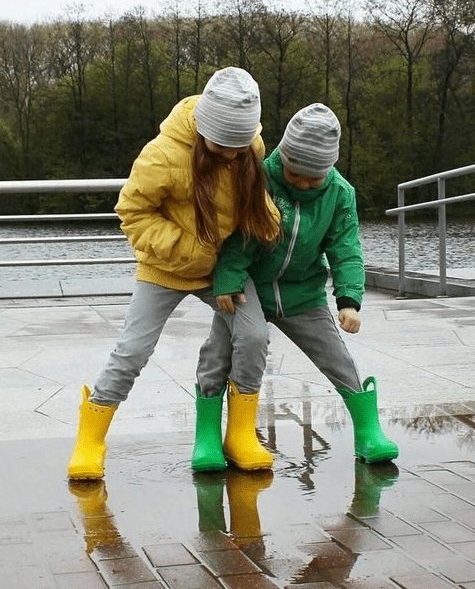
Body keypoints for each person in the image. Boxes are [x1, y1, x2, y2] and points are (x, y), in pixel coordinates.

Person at [67, 67, 281, 481]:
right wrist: (193, 251)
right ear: (203, 130)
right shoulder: (162, 155)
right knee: (133, 351)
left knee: (254, 335)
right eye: (223, 145)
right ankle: (90, 440)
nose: (233, 155)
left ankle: (240, 434)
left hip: (221, 268)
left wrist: (263, 227)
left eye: (240, 146)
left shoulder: (249, 146)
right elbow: (132, 213)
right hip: (164, 267)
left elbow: (253, 201)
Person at [207, 103, 399, 465]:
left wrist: (349, 300)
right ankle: (213, 436)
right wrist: (229, 277)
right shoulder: (260, 177)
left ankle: (368, 431)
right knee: (219, 355)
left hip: (304, 293)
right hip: (250, 288)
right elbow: (239, 234)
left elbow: (346, 249)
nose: (303, 184)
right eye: (295, 173)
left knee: (338, 359)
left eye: (315, 178)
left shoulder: (340, 193)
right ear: (284, 157)